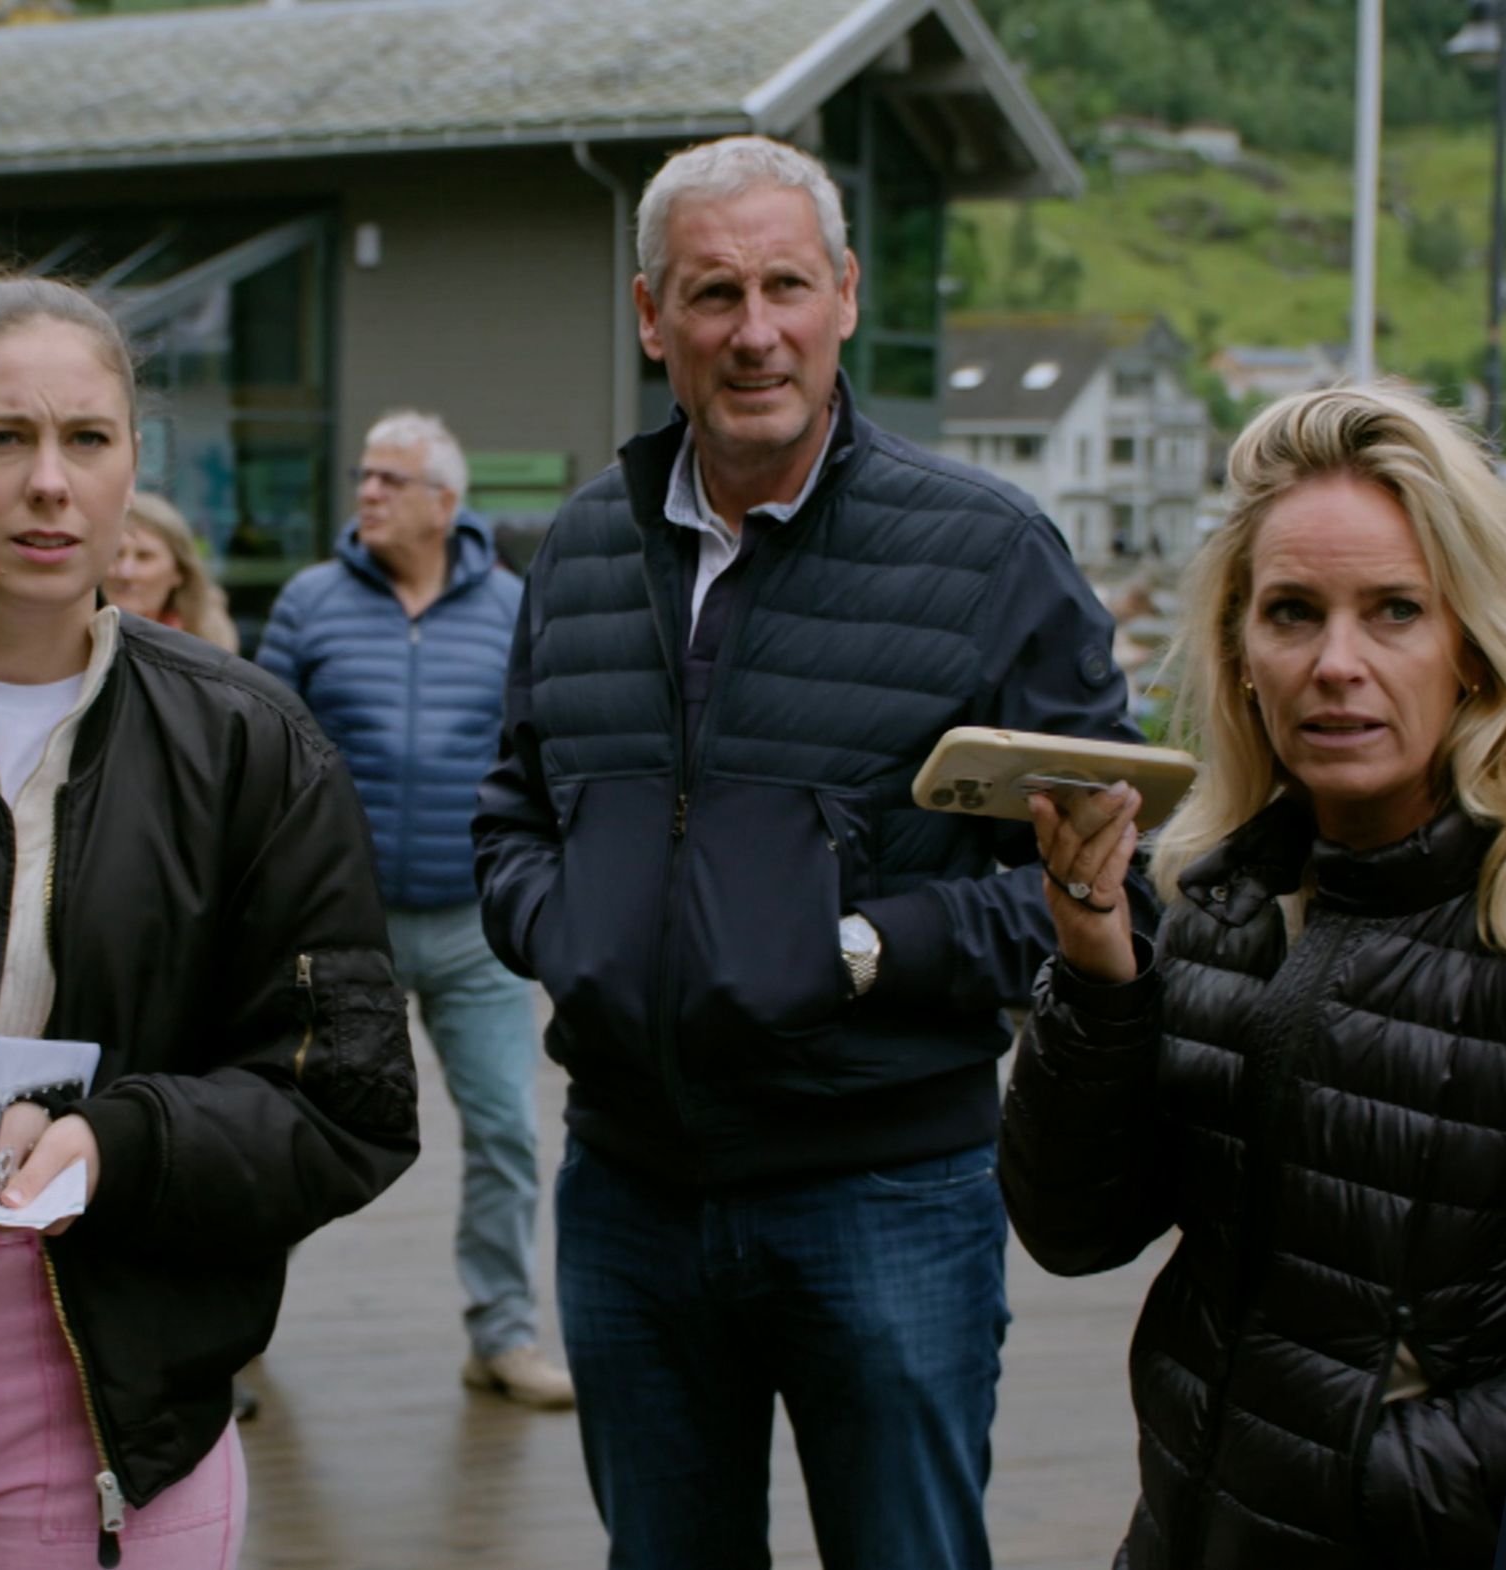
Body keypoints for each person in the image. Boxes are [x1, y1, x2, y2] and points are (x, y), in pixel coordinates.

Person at [471, 134, 1146, 1569]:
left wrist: (862, 948)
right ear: (652, 317)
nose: (754, 330)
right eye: (713, 293)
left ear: (843, 294)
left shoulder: (988, 553)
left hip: (884, 1193)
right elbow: (513, 808)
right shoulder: (584, 545)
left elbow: (1095, 877)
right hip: (630, 1191)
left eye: (787, 284)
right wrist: (571, 919)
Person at [0, 275, 418, 1565]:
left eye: (88, 439)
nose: (49, 483)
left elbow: (345, 1097)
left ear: (135, 464)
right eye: (2, 438)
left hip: (108, 1398)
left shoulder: (251, 742)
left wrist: (121, 1141)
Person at [1000, 382, 1506, 1568]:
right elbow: (1075, 1229)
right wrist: (1097, 969)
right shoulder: (1218, 896)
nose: (1337, 663)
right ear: (1240, 651)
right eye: (1293, 613)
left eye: (1393, 612)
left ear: (1475, 649)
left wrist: (1379, 1478)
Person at [257, 409, 570, 1409]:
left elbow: (541, 755)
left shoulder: (515, 608)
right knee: (294, 1129)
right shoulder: (310, 602)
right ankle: (235, 1331)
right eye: (363, 475)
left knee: (509, 1134)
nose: (367, 493)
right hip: (348, 927)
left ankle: (503, 1336)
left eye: (390, 479)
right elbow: (264, 749)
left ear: (446, 503)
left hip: (477, 927)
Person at [107, 491, 239, 651]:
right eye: (116, 554)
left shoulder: (207, 644)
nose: (125, 572)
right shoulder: (74, 644)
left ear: (179, 571)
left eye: (144, 557)